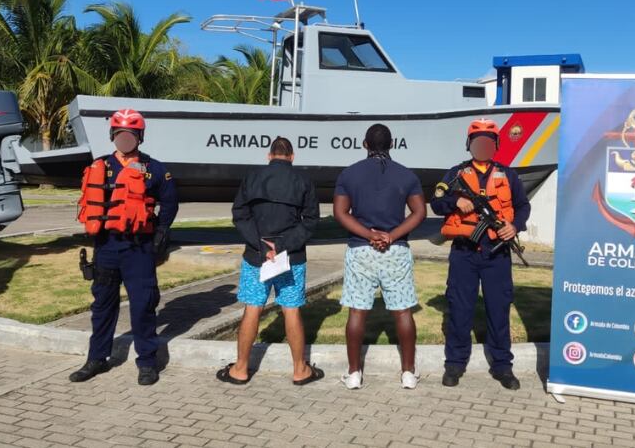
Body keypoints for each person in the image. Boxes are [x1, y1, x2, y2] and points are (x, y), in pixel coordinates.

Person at [70, 108, 179, 386]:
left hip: (139, 249)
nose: (125, 140)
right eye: (120, 134)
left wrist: (162, 231)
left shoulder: (154, 169)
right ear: (113, 135)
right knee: (103, 305)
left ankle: (147, 362)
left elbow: (170, 202)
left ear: (139, 137)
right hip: (106, 247)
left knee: (143, 306)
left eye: (130, 135)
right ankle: (96, 358)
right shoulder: (100, 165)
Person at [430, 118, 531, 390]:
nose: (482, 147)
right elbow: (436, 202)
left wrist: (515, 225)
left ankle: (502, 365)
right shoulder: (455, 173)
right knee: (460, 308)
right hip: (464, 252)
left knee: (498, 309)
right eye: (477, 143)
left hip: (496, 254)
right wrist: (455, 200)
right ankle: (455, 363)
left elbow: (522, 206)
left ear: (495, 146)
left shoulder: (508, 174)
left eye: (488, 143)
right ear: (470, 145)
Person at [216, 137, 324, 386]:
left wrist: (261, 245)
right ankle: (300, 370)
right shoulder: (303, 180)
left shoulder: (252, 176)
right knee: (291, 308)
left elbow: (240, 214)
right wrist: (283, 246)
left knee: (253, 307)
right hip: (292, 256)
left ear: (269, 155)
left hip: (256, 255)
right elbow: (310, 220)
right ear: (293, 156)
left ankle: (240, 369)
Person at [333, 124, 426, 390]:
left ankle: (353, 374)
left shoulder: (349, 174)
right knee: (403, 311)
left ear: (365, 145)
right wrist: (391, 236)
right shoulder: (406, 175)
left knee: (357, 311)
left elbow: (341, 213)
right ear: (392, 144)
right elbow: (419, 213)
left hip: (361, 249)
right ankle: (408, 373)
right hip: (395, 251)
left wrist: (368, 234)